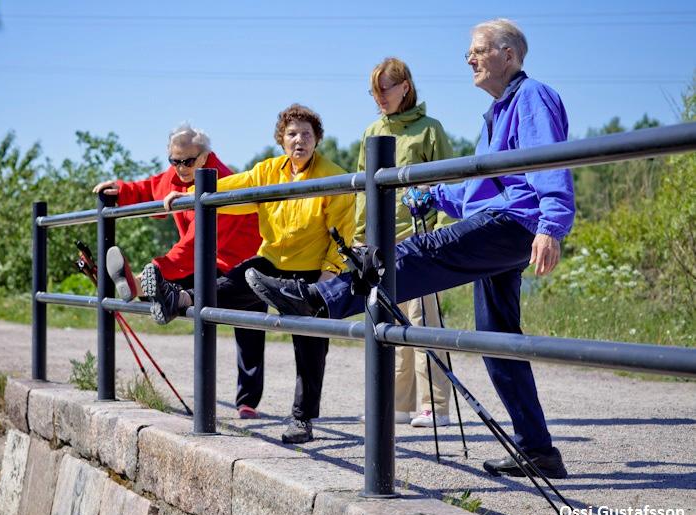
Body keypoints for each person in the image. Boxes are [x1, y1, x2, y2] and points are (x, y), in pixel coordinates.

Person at [246, 18, 574, 479]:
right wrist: (436, 194)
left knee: (416, 252)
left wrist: (552, 225)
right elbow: (483, 186)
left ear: (509, 56)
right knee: (498, 340)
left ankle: (320, 300)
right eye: (469, 53)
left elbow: (549, 162)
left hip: (514, 223)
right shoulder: (499, 111)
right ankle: (538, 449)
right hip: (502, 219)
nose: (470, 59)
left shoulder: (531, 97)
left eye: (478, 50)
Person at [156, 104, 356, 444]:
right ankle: (180, 298)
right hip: (272, 262)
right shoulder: (267, 171)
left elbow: (343, 235)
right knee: (234, 281)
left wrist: (327, 277)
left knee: (310, 345)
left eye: (307, 134)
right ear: (281, 139)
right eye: (292, 134)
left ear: (317, 139)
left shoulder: (332, 176)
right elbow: (232, 189)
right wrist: (189, 196)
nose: (299, 141)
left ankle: (302, 420)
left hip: (311, 272)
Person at [93, 123, 266, 420]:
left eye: (188, 161)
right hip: (207, 262)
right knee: (169, 290)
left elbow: (196, 243)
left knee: (249, 328)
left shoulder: (221, 181)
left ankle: (247, 402)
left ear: (204, 156)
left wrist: (158, 266)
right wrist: (118, 190)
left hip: (242, 263)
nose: (181, 167)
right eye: (175, 160)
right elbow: (148, 188)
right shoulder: (175, 176)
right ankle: (146, 287)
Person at [357, 57, 454, 428]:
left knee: (423, 321)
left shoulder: (430, 130)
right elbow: (364, 191)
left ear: (405, 87)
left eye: (385, 88)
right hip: (383, 241)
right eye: (374, 90)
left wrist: (443, 233)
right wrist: (359, 235)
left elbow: (449, 181)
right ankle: (397, 403)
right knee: (387, 321)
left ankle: (435, 406)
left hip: (421, 235)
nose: (379, 97)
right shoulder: (371, 131)